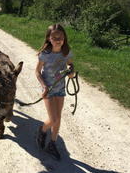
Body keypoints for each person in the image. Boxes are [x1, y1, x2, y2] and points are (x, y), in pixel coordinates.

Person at [35, 23, 74, 160]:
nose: (58, 40)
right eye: (54, 37)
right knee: (53, 118)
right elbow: (37, 72)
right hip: (48, 89)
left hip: (60, 88)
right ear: (49, 38)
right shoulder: (44, 54)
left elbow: (70, 65)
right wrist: (43, 86)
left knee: (58, 118)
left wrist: (71, 71)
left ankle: (52, 143)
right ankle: (42, 130)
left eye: (61, 37)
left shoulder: (66, 52)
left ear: (64, 38)